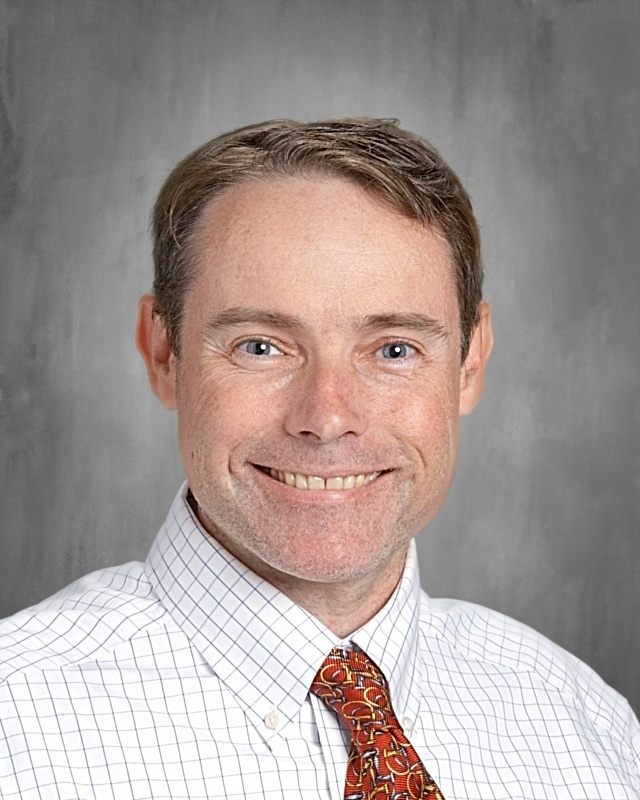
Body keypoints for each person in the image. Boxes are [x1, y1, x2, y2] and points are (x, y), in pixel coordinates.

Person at [0, 118, 638, 800]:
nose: (328, 417)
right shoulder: (17, 724)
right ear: (164, 353)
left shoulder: (588, 727)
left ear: (470, 362)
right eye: (260, 347)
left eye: (394, 349)